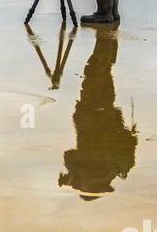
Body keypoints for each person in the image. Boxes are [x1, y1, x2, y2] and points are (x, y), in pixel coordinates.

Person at [58, 28, 137, 200]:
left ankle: (106, 36)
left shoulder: (110, 168)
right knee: (96, 72)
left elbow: (69, 155)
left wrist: (73, 176)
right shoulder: (102, 167)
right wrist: (73, 176)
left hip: (105, 111)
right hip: (92, 112)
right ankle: (106, 33)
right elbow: (68, 155)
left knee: (102, 73)